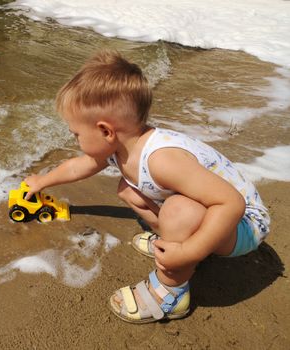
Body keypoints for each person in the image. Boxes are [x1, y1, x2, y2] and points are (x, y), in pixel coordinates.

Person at [24, 50, 270, 324]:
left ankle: (170, 292)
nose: (75, 138)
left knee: (178, 211)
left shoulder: (162, 160)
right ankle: (173, 241)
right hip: (218, 212)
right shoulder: (121, 145)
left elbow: (231, 203)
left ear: (106, 131)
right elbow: (80, 166)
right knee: (127, 188)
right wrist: (42, 182)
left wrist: (190, 253)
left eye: (76, 133)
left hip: (245, 222)